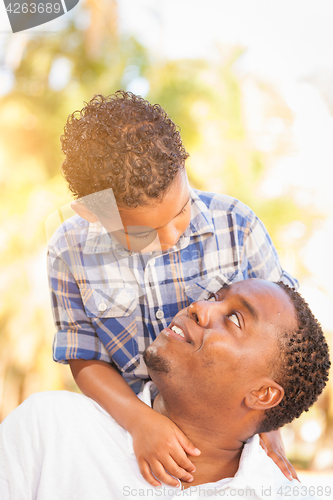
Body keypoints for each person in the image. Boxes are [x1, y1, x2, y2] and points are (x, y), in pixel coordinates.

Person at [47, 90, 299, 486]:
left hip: (221, 436)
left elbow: (281, 339)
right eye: (145, 232)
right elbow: (85, 357)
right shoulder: (69, 251)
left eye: (180, 212)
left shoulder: (238, 226)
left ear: (184, 166)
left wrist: (268, 429)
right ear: (93, 213)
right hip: (127, 425)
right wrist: (140, 422)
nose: (170, 237)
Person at [0, 280, 330, 499]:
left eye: (234, 320)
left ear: (262, 395)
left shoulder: (276, 492)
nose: (199, 306)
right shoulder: (50, 429)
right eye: (215, 297)